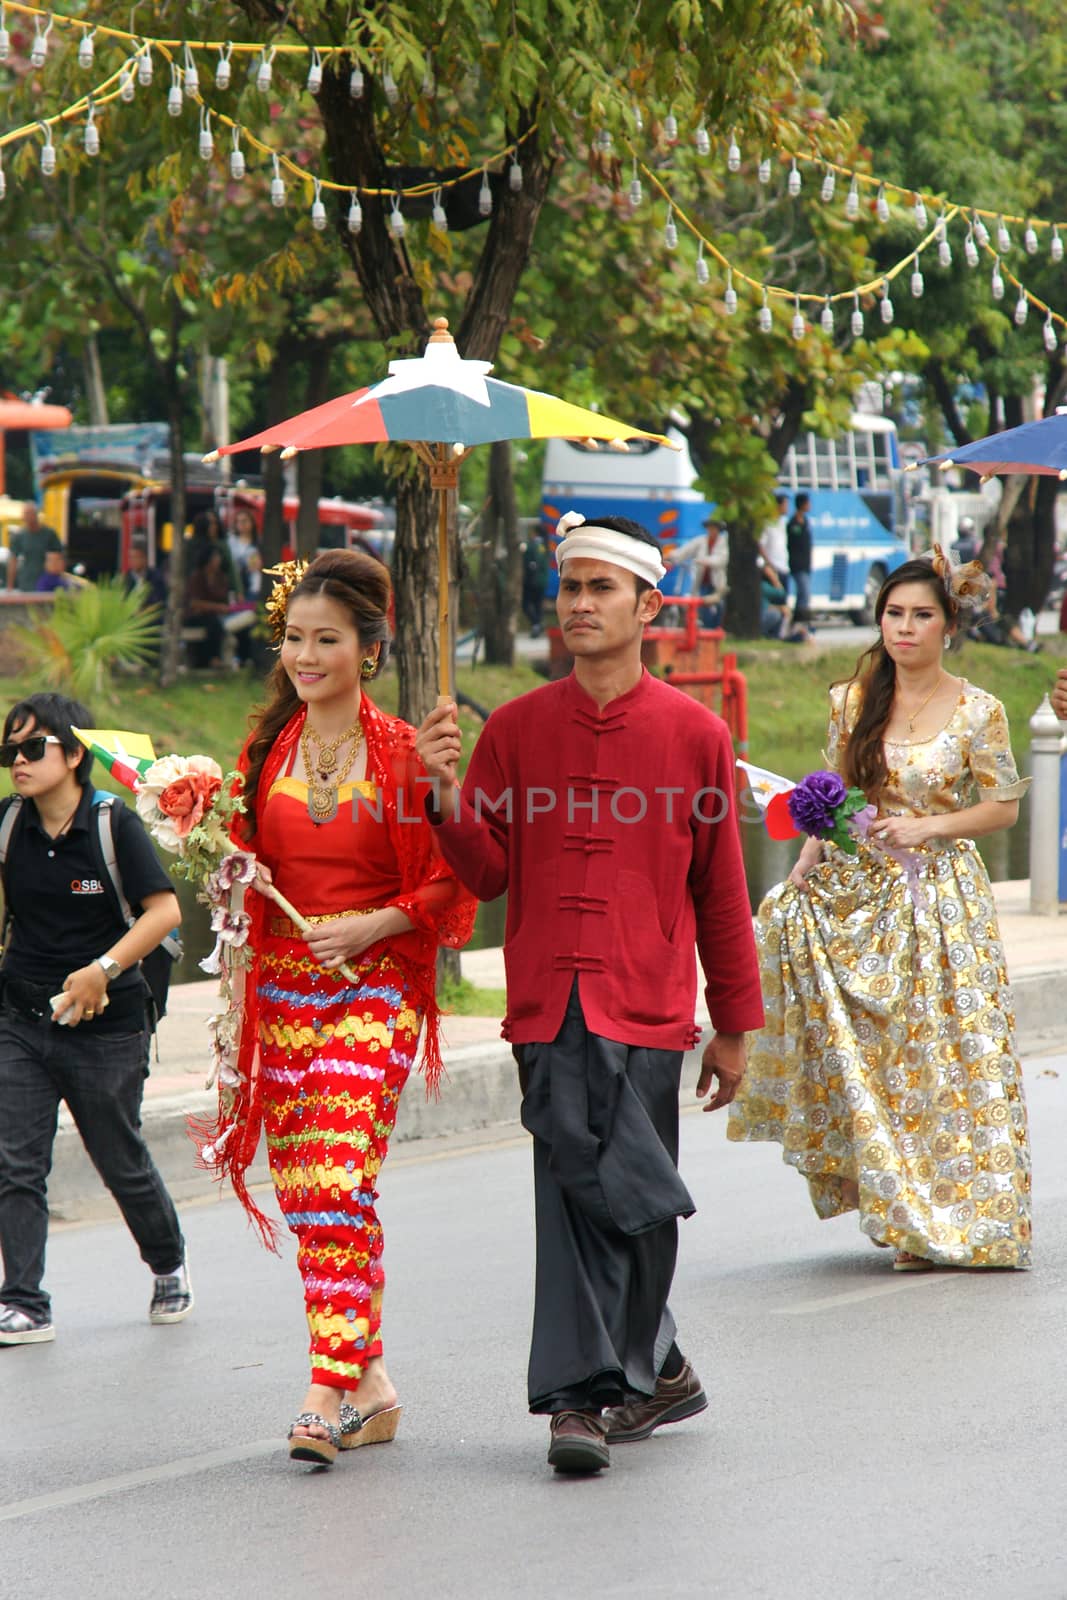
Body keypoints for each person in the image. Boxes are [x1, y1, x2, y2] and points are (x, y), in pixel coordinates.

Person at [416, 510, 763, 1474]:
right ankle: (578, 1400)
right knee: (572, 1191)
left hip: (648, 1003)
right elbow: (485, 876)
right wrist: (443, 797)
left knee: (639, 1198)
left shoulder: (696, 734)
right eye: (567, 587)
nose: (577, 604)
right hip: (546, 1001)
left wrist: (734, 1026)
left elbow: (721, 891)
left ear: (648, 605)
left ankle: (655, 1365)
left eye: (598, 588)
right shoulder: (517, 730)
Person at [201, 550, 475, 1466]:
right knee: (315, 1188)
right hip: (280, 990)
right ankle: (374, 1384)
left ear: (369, 648)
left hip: (376, 987)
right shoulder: (262, 753)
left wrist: (369, 926)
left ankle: (327, 1383)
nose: (305, 656)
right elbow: (239, 869)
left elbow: (452, 888)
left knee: (329, 1172)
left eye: (326, 640)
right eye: (293, 639)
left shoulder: (406, 751)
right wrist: (219, 855)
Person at [728, 555, 1033, 1271]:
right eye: (893, 614)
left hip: (941, 903)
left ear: (948, 625)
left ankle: (967, 1219)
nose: (904, 627)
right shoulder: (850, 700)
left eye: (921, 614)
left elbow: (1004, 805)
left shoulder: (978, 709)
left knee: (942, 1061)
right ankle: (903, 1214)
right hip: (861, 889)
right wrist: (809, 858)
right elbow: (829, 795)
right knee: (879, 1062)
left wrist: (928, 827)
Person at [0, 692, 189, 1345]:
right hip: (22, 1018)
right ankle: (24, 1300)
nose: (18, 762)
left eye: (33, 748)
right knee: (16, 1161)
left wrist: (100, 970)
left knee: (119, 1159)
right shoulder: (7, 825)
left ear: (75, 754)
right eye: (9, 751)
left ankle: (167, 1264)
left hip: (107, 1026)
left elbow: (164, 913)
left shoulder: (113, 824)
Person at [184, 545, 255, 669]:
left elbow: (226, 601)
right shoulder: (197, 577)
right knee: (213, 624)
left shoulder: (221, 577)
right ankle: (213, 659)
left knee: (243, 626)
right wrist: (217, 607)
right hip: (199, 616)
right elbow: (194, 603)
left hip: (221, 615)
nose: (218, 560)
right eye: (215, 557)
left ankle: (245, 658)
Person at [674, 514, 728, 627]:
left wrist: (704, 561)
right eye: (710, 527)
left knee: (719, 608)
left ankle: (715, 630)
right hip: (702, 583)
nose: (711, 530)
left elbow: (721, 559)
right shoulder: (701, 541)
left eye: (714, 528)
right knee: (703, 608)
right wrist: (671, 556)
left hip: (717, 584)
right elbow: (685, 550)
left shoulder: (724, 543)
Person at [8, 502, 62, 593]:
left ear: (36, 515)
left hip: (46, 581)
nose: (26, 518)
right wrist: (10, 586)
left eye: (29, 514)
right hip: (26, 582)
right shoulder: (20, 536)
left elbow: (59, 557)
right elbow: (13, 561)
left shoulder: (49, 534)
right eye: (25, 515)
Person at [786, 492, 813, 632]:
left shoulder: (806, 522)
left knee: (804, 594)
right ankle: (799, 622)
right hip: (797, 565)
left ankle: (802, 623)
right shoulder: (793, 523)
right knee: (803, 593)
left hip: (806, 565)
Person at [123, 542, 168, 611]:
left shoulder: (156, 578)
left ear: (144, 559)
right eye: (131, 557)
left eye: (136, 557)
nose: (133, 560)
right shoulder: (125, 580)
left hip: (151, 619)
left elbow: (160, 602)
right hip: (130, 620)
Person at [521, 529, 548, 637]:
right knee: (537, 604)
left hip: (532, 580)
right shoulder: (543, 545)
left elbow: (533, 563)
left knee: (525, 604)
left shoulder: (532, 546)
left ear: (534, 533)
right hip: (541, 581)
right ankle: (538, 625)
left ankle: (536, 624)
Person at [759, 492, 790, 586]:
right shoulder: (766, 524)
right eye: (785, 504)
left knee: (783, 598)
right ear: (778, 506)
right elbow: (760, 545)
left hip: (784, 567)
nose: (787, 507)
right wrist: (769, 565)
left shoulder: (783, 522)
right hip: (772, 569)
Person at [227, 505, 259, 583]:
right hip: (237, 583)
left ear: (252, 522)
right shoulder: (231, 541)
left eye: (244, 521)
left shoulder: (258, 542)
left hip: (255, 584)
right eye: (238, 521)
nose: (241, 524)